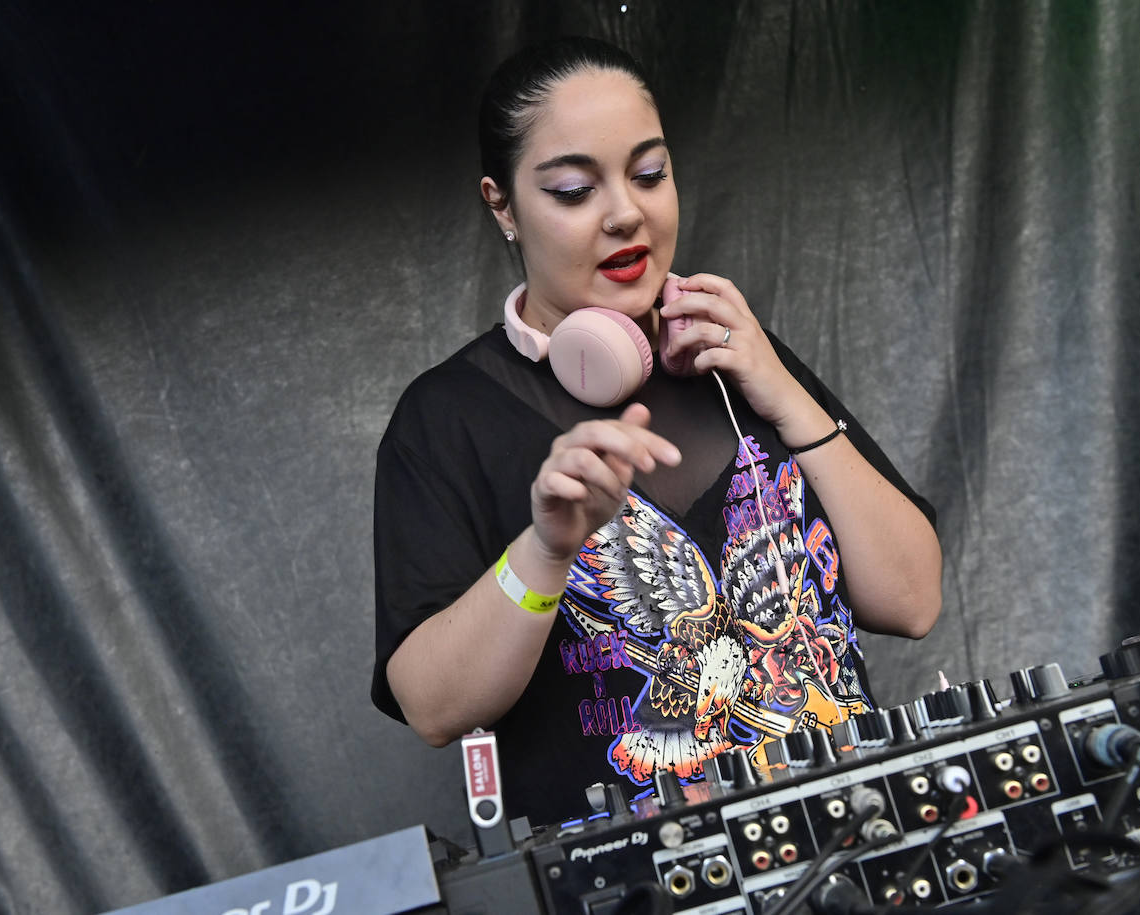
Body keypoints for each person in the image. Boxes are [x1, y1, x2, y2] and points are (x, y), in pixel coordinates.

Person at [372, 36, 942, 827]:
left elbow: (913, 600)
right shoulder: (446, 419)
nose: (626, 212)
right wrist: (545, 550)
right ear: (501, 204)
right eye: (574, 190)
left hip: (853, 841)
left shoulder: (744, 360)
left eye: (649, 173)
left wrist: (784, 394)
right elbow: (433, 705)